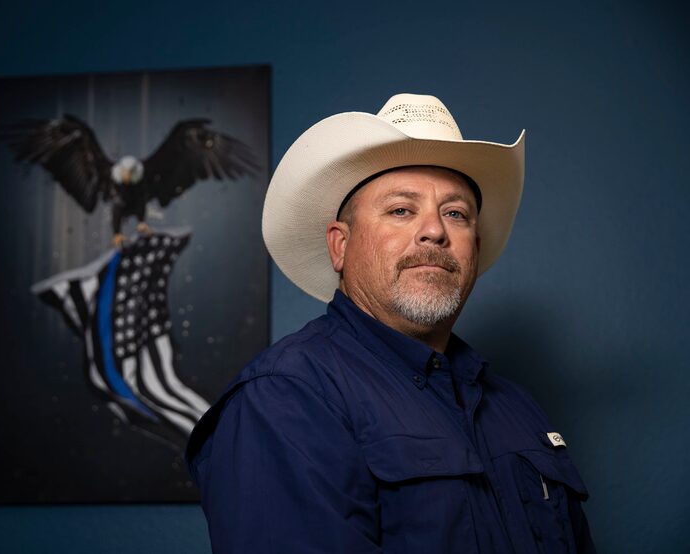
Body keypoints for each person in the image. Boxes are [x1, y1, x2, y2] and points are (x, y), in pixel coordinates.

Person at [185, 94, 595, 553]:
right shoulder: (286, 398)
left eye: (455, 214)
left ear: (474, 249)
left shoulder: (516, 408)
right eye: (402, 209)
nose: (435, 231)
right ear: (340, 246)